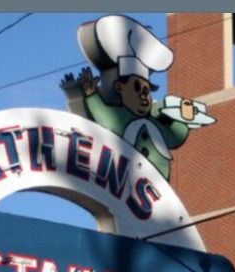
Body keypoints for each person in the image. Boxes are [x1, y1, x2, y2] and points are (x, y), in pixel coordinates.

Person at [62, 14, 215, 180]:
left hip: (156, 181)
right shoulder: (121, 116)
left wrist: (183, 120)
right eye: (136, 88)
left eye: (146, 90)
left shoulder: (154, 123)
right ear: (120, 88)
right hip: (127, 177)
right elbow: (106, 118)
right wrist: (91, 95)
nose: (143, 96)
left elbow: (174, 138)